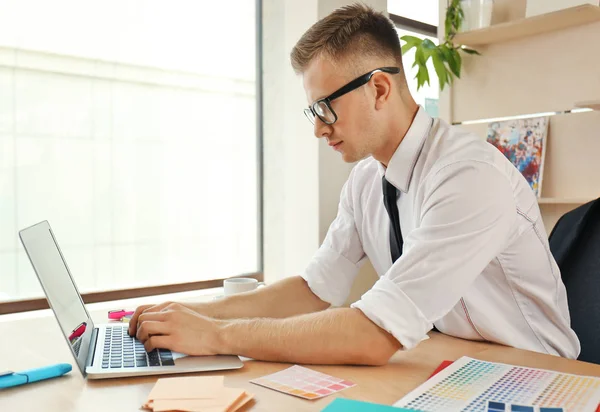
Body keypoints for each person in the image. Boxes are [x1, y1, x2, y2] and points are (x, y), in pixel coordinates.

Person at [128, 3, 580, 364]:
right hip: (454, 363)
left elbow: (372, 334)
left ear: (379, 89)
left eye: (326, 107)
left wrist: (218, 336)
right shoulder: (366, 180)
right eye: (313, 111)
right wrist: (189, 314)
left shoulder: (467, 177)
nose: (319, 129)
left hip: (539, 376)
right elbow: (313, 289)